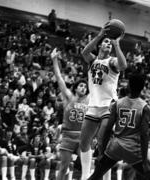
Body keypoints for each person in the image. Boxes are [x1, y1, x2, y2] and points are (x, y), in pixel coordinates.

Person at [80, 22, 127, 180]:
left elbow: (123, 65)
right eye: (105, 42)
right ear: (100, 45)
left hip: (109, 107)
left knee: (102, 145)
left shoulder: (112, 61)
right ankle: (86, 175)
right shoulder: (92, 60)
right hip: (93, 106)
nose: (108, 44)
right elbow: (84, 52)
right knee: (84, 143)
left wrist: (117, 44)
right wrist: (100, 35)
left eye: (110, 43)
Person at [87, 73, 150, 180]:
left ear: (129, 86)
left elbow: (107, 130)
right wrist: (144, 161)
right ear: (142, 88)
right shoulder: (145, 108)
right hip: (132, 148)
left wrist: (102, 153)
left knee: (96, 175)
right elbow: (144, 135)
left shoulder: (117, 104)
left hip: (115, 146)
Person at [51, 48, 89, 180]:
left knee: (88, 165)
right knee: (63, 167)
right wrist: (54, 60)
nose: (83, 88)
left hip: (82, 137)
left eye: (85, 87)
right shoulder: (69, 97)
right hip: (67, 136)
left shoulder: (89, 100)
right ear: (76, 87)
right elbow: (59, 79)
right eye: (81, 86)